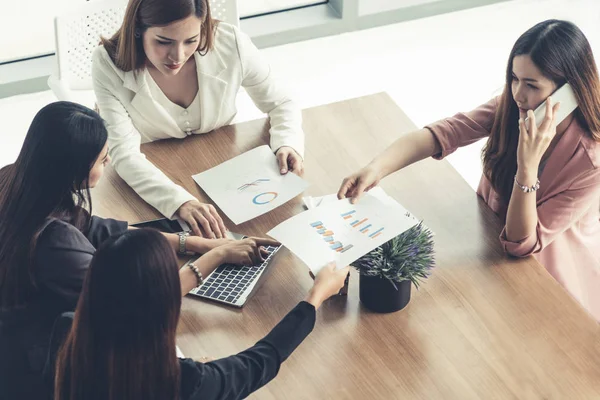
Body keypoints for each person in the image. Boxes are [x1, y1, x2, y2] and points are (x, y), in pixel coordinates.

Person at [0, 102, 276, 399]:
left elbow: (96, 227)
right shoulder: (55, 243)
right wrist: (214, 257)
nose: (108, 164)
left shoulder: (14, 180)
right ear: (75, 168)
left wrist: (194, 242)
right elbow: (139, 300)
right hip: (40, 372)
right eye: (103, 160)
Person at [338, 20, 600, 321]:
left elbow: (521, 242)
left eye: (531, 85)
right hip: (490, 247)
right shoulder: (514, 108)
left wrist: (527, 166)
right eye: (514, 79)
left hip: (548, 278)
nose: (518, 94)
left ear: (569, 92)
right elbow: (447, 132)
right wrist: (376, 168)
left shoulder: (591, 162)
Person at [46, 228, 348, 400]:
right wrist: (315, 296)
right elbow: (261, 360)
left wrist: (215, 254)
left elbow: (141, 301)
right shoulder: (183, 383)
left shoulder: (68, 331)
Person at [92, 0, 305, 239]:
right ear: (139, 29)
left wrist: (287, 142)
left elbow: (281, 102)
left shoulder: (230, 42)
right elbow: (124, 154)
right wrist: (179, 202)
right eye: (164, 42)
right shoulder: (107, 63)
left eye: (191, 40)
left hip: (224, 169)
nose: (178, 55)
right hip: (153, 177)